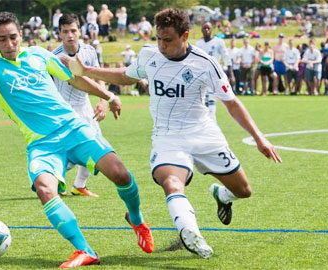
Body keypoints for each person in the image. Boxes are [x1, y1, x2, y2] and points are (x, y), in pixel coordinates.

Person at [0, 11, 153, 268]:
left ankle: (137, 220)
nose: (9, 44)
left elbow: (74, 79)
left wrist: (108, 96)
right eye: (2, 39)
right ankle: (85, 251)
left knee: (121, 174)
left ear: (21, 35)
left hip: (74, 128)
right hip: (42, 144)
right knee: (44, 188)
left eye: (13, 37)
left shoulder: (39, 55)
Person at [65, 8, 281, 259]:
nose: (161, 45)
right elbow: (125, 76)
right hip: (167, 137)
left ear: (185, 36)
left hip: (203, 133)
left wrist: (259, 137)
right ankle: (191, 233)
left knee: (244, 190)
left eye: (168, 40)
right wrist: (88, 70)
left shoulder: (205, 63)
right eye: (158, 38)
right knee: (171, 182)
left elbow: (231, 103)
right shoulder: (148, 55)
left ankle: (221, 195)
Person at [52, 13, 107, 198]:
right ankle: (49, 179)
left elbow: (99, 77)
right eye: (65, 31)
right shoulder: (53, 57)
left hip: (85, 107)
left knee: (96, 146)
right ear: (59, 33)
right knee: (73, 152)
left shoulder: (90, 51)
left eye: (73, 30)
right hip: (64, 109)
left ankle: (79, 186)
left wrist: (102, 101)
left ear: (80, 31)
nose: (70, 35)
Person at [196, 22, 234, 120]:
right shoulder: (198, 44)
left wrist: (231, 74)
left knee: (212, 97)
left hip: (214, 74)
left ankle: (212, 119)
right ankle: (204, 120)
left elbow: (226, 57)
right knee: (203, 99)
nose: (206, 30)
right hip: (201, 75)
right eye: (204, 28)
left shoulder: (218, 42)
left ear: (212, 29)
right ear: (201, 30)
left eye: (208, 28)